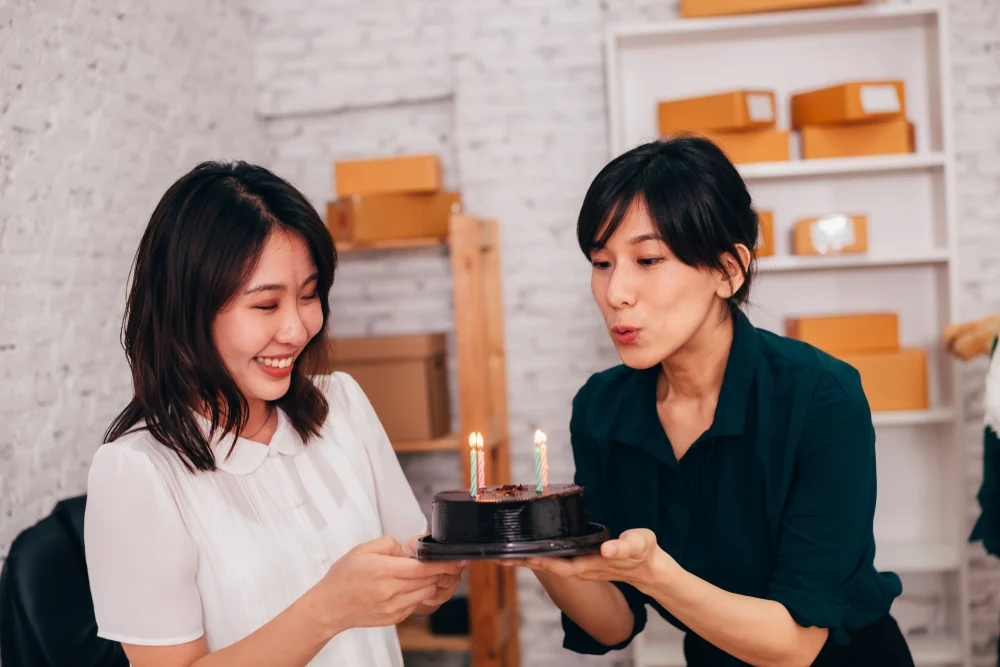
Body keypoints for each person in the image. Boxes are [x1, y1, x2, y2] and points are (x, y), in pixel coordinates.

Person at [510, 137, 914, 666]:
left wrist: (657, 572)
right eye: (602, 263)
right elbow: (615, 622)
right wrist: (541, 552)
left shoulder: (820, 398)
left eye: (648, 259)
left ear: (729, 270)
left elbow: (793, 646)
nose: (615, 293)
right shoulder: (602, 409)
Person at [83, 161, 464, 667]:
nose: (297, 329)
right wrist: (327, 610)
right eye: (266, 306)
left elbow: (406, 557)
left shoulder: (340, 404)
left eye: (309, 296)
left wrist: (433, 575)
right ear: (187, 309)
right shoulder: (136, 472)